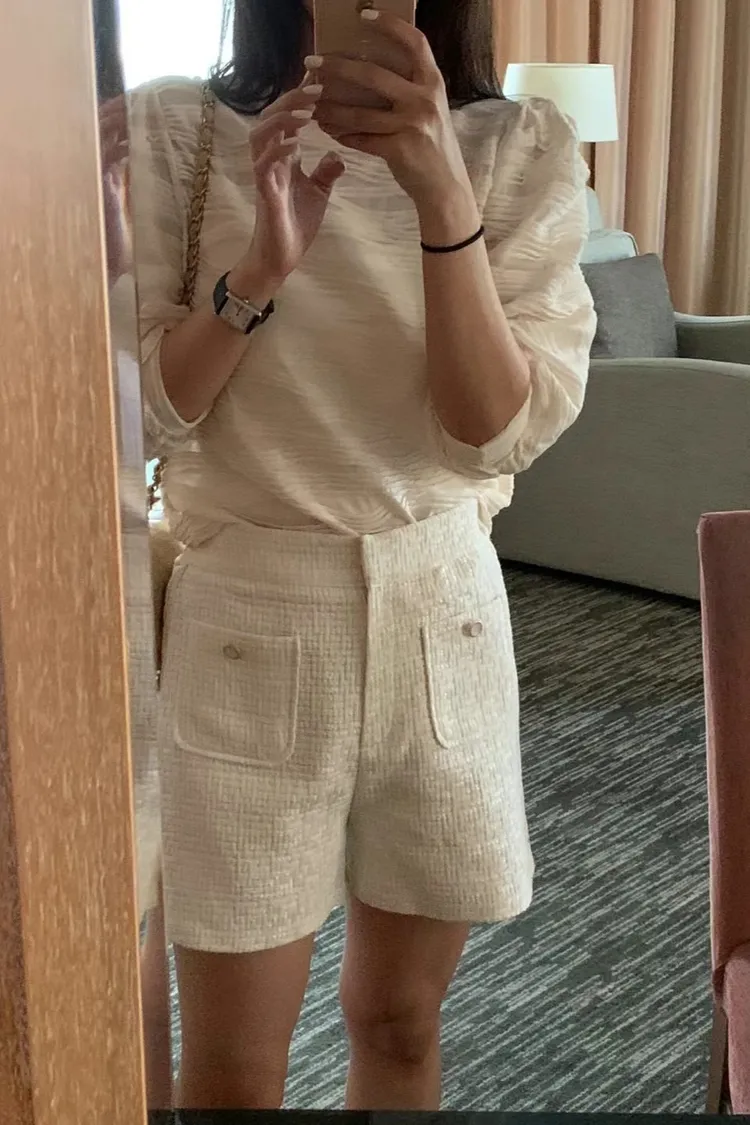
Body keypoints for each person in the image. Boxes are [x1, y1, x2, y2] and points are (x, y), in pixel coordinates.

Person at [130, 0, 596, 1110]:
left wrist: (442, 192)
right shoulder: (174, 133)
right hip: (247, 614)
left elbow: (487, 432)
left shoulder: (521, 145)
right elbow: (140, 411)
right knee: (234, 1067)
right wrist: (260, 270)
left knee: (400, 1022)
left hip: (445, 610)